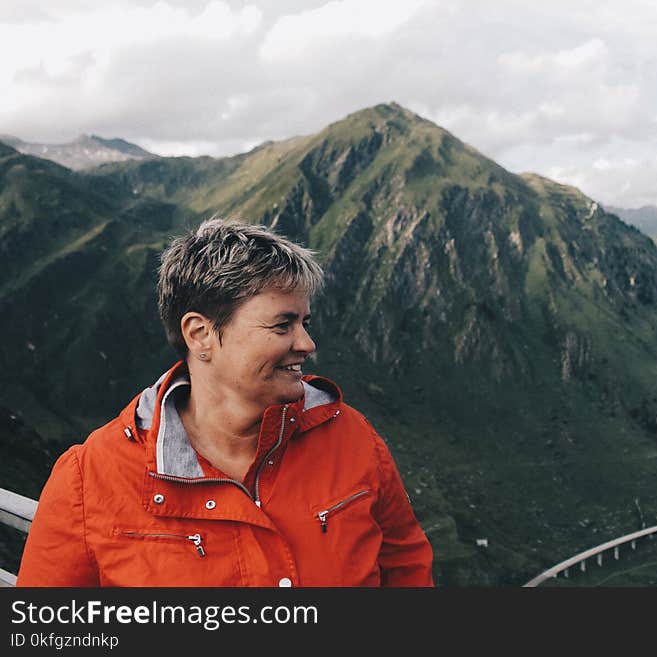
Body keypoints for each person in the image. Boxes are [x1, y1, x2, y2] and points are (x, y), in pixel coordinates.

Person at [17, 218, 433, 587]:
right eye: (282, 324)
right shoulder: (89, 481)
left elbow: (406, 567)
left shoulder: (351, 436)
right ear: (199, 335)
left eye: (304, 323)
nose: (307, 344)